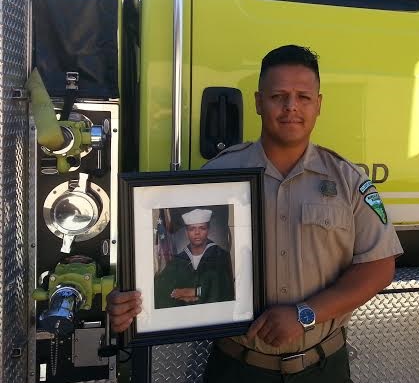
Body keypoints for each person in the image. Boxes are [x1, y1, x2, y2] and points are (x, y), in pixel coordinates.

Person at [107, 45, 403, 382]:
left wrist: (304, 314)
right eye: (278, 96)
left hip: (322, 369)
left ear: (319, 104)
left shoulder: (348, 181)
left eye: (303, 97)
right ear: (258, 102)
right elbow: (172, 270)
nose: (291, 106)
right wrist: (134, 304)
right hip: (237, 368)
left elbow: (378, 267)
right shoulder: (217, 177)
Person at [153, 208, 234, 309]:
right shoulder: (178, 260)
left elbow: (224, 289)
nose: (197, 233)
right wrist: (193, 294)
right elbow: (161, 290)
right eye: (192, 229)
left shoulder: (221, 256)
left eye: (202, 228)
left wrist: (187, 292)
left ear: (208, 230)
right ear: (186, 232)